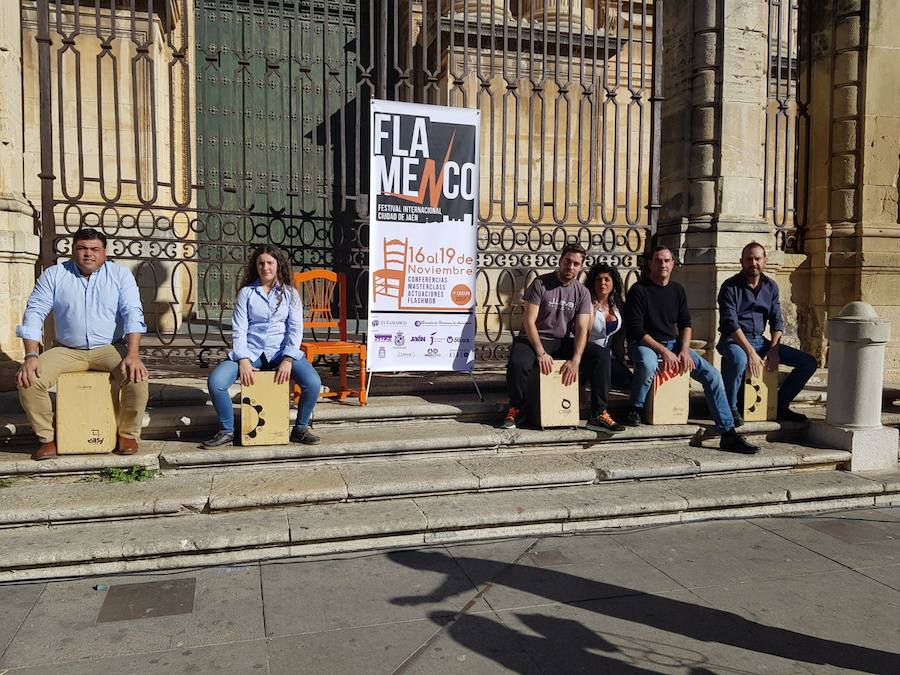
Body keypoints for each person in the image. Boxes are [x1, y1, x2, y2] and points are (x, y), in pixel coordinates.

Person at [16, 227, 150, 461]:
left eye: (94, 249)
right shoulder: (54, 275)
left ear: (104, 252)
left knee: (137, 378)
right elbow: (35, 312)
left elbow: (132, 312)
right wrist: (30, 355)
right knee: (29, 380)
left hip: (109, 347)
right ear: (73, 250)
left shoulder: (120, 275)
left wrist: (133, 354)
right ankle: (47, 439)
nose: (88, 254)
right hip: (67, 350)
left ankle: (128, 434)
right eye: (82, 248)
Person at [623, 245, 759, 454]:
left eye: (667, 260)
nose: (663, 264)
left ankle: (728, 432)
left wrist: (684, 350)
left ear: (673, 264)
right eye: (658, 260)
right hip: (645, 343)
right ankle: (635, 408)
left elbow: (686, 324)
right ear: (650, 263)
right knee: (648, 363)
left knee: (712, 374)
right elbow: (636, 330)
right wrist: (663, 351)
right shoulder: (639, 290)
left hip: (673, 343)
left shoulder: (677, 290)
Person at [203, 245, 322, 447]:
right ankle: (227, 430)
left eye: (269, 263)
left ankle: (300, 428)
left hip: (282, 352)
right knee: (217, 382)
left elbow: (295, 329)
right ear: (255, 266)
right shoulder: (246, 293)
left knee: (313, 382)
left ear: (278, 265)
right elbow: (239, 329)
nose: (265, 267)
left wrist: (288, 359)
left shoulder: (290, 294)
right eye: (261, 263)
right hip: (251, 350)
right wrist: (243, 360)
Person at [503, 243, 624, 433]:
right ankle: (517, 408)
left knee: (600, 355)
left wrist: (576, 359)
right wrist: (540, 352)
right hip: (534, 338)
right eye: (568, 261)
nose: (571, 267)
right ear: (560, 261)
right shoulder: (540, 284)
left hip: (562, 341)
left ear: (580, 268)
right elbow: (528, 321)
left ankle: (598, 413)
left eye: (576, 264)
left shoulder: (582, 293)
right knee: (518, 362)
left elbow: (583, 329)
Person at [716, 242, 817, 425]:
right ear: (742, 261)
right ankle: (730, 409)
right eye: (749, 259)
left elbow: (777, 320)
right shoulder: (730, 287)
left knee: (808, 363)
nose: (753, 263)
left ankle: (780, 404)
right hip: (734, 340)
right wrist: (751, 352)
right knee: (739, 359)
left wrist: (774, 348)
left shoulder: (771, 287)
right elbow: (730, 324)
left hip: (760, 341)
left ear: (765, 261)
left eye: (757, 259)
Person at [584, 262, 632, 393]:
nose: (602, 283)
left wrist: (621, 359)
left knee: (628, 381)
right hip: (588, 354)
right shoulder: (587, 302)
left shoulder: (617, 304)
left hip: (608, 356)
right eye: (598, 279)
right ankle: (600, 410)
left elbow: (619, 337)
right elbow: (582, 334)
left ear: (613, 283)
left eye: (607, 279)